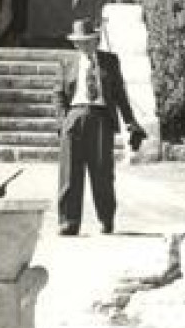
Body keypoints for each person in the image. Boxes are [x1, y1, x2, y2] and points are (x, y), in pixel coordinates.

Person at [57, 18, 146, 235]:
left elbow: (120, 95)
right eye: (79, 42)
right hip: (74, 117)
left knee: (102, 173)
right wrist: (63, 121)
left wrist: (130, 122)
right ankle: (69, 221)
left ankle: (106, 219)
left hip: (100, 118)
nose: (83, 46)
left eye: (88, 41)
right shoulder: (67, 62)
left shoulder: (110, 61)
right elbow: (58, 94)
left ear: (96, 41)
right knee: (70, 173)